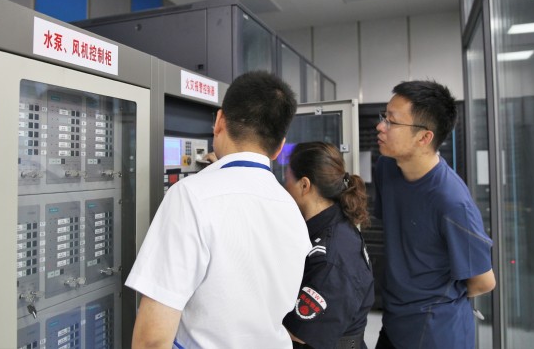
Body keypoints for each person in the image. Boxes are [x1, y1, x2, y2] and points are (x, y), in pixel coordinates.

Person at [125, 71, 312, 349]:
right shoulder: (292, 210)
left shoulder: (190, 196)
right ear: (279, 147)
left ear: (219, 121)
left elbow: (151, 340)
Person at [374, 80, 496, 349]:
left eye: (392, 121)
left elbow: (484, 281)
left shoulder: (452, 202)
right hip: (394, 320)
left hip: (437, 332)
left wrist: (431, 297)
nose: (380, 126)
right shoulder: (386, 167)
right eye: (384, 117)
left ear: (424, 138)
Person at [282, 142, 375, 349]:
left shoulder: (332, 257)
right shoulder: (328, 224)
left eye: (286, 180)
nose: (284, 188)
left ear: (304, 185)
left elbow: (299, 333)